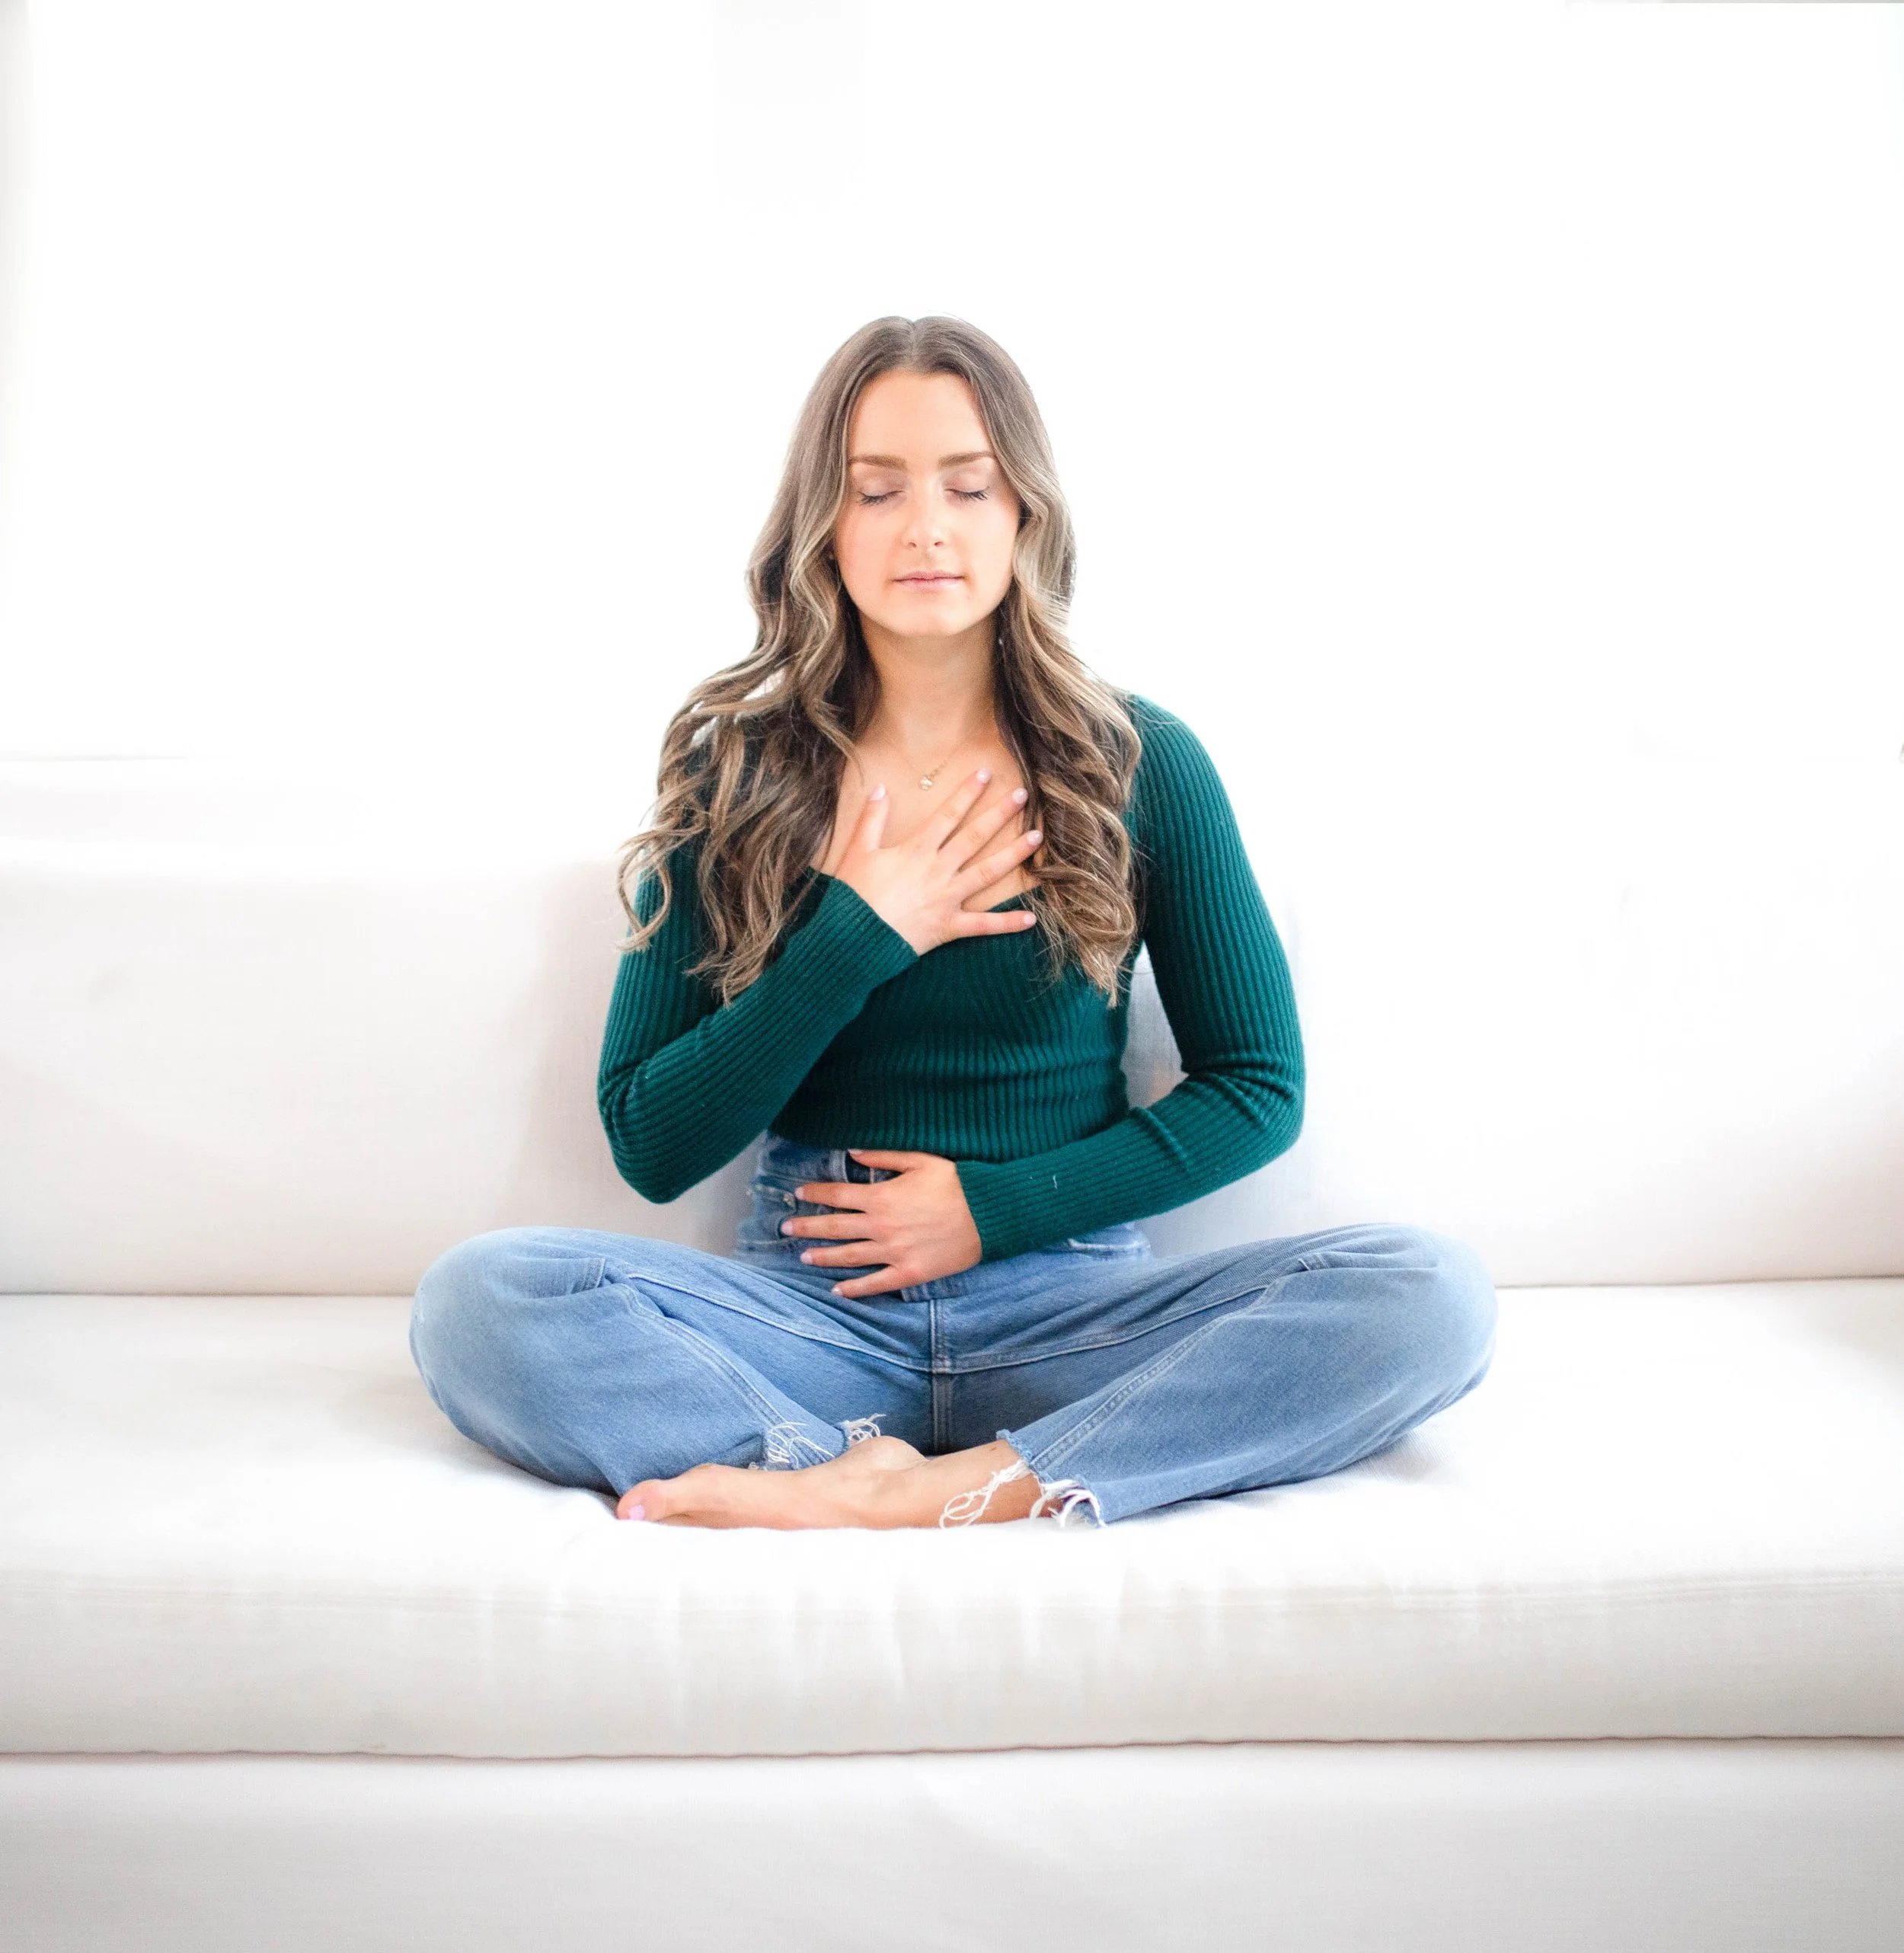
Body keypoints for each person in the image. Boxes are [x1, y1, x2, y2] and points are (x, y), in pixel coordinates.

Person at [409, 315, 1495, 1530]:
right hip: (813, 1313)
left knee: (1430, 1295)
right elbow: (651, 1141)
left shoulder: (1141, 762)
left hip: (1069, 1302)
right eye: (878, 491)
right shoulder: (738, 773)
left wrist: (993, 1211)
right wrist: (857, 932)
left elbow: (1257, 1088)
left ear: (1023, 513)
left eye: (967, 486)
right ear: (823, 524)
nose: (926, 526)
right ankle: (839, 1465)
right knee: (479, 1303)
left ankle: (913, 1495)